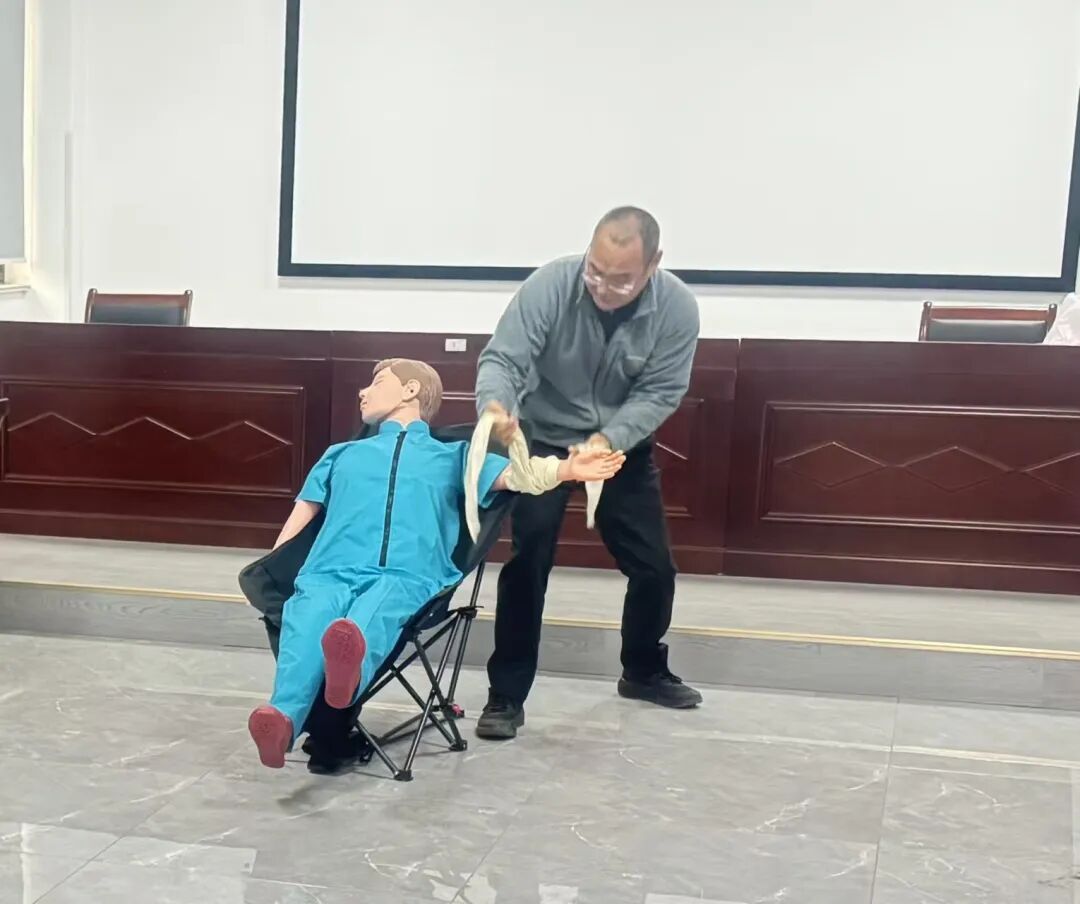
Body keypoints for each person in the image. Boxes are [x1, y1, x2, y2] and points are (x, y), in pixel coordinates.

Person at [246, 357, 625, 768]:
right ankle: (282, 719)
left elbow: (518, 475)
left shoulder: (455, 457)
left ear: (410, 390)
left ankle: (346, 677)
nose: (362, 392)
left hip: (408, 574)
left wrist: (567, 468)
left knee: (367, 617)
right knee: (307, 617)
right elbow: (302, 515)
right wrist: (276, 567)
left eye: (376, 382)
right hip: (329, 570)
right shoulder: (340, 455)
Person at [474, 206, 703, 740]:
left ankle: (642, 669)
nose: (602, 286)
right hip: (545, 439)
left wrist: (609, 440)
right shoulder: (551, 284)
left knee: (655, 567)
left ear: (653, 265)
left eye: (620, 279)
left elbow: (660, 391)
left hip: (618, 445)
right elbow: (504, 359)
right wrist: (495, 407)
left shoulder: (677, 308)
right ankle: (505, 695)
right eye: (595, 271)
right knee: (529, 559)